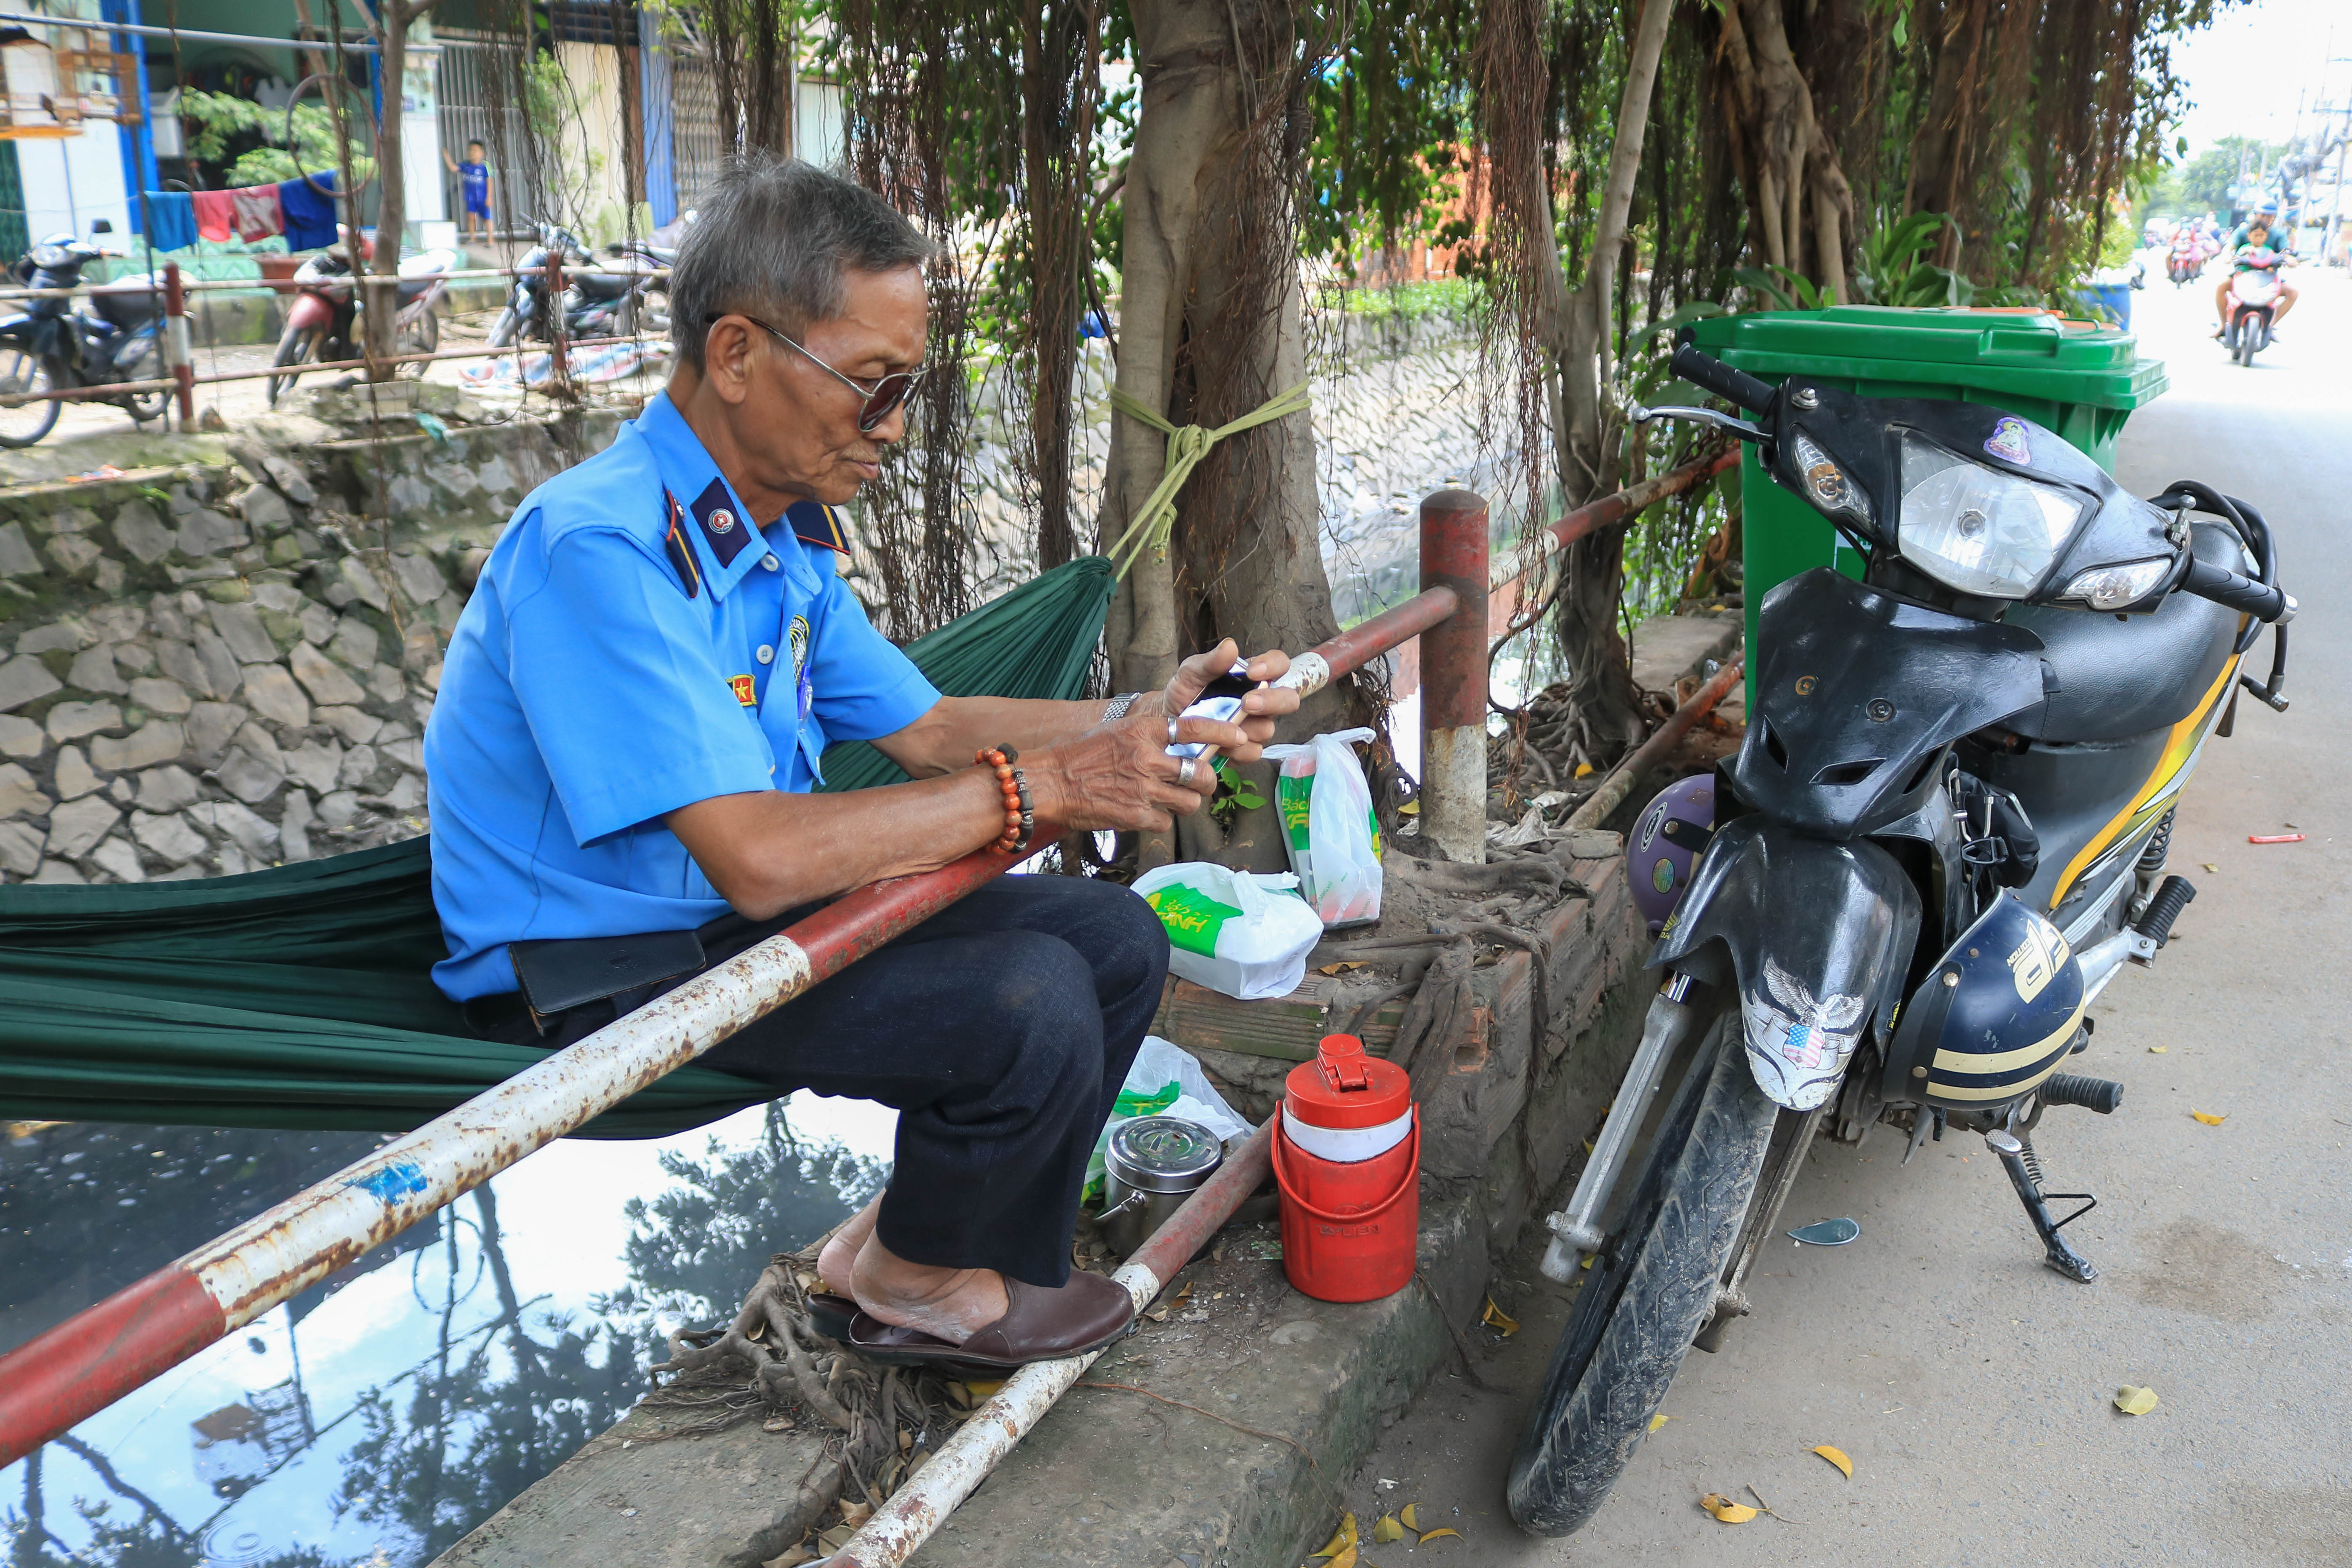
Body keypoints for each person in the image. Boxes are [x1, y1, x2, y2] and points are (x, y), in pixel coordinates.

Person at [424, 152, 1303, 1371]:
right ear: (736, 356)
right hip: (595, 964)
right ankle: (935, 1283)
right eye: (871, 386)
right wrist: (1046, 790)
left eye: (907, 389)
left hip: (729, 923)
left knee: (1113, 943)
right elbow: (758, 858)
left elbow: (930, 728)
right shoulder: (600, 549)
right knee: (1025, 1007)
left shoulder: (776, 540)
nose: (891, 426)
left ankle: (907, 1257)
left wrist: (1148, 714)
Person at [2213, 207, 2297, 338]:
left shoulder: (2279, 234)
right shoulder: (2243, 232)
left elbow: (2286, 252)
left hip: (2269, 277)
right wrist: (2228, 256)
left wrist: (2290, 259)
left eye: (2270, 216)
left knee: (2293, 292)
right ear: (2255, 215)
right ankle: (2224, 325)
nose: (2266, 218)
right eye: (2263, 215)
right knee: (2221, 287)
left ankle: (2270, 327)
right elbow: (2230, 248)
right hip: (2243, 275)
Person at [443, 139, 493, 243]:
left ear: (481, 153)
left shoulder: (485, 167)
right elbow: (453, 169)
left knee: (486, 218)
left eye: (475, 151)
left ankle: (491, 239)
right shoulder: (465, 165)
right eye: (470, 150)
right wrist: (446, 156)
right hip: (470, 197)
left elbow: (489, 182)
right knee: (471, 217)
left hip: (482, 198)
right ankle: (472, 238)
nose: (472, 153)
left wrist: (489, 197)